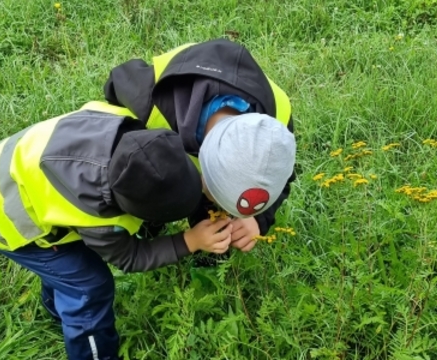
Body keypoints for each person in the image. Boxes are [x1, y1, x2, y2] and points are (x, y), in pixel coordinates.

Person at [0, 102, 235, 360]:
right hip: (1, 214)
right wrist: (190, 240)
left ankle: (54, 304)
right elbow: (130, 257)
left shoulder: (135, 131)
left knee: (70, 270)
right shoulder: (96, 211)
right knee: (88, 286)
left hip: (2, 164)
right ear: (129, 209)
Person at [103, 38, 297, 259]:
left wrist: (257, 219)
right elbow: (118, 80)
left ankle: (207, 258)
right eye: (220, 201)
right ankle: (151, 225)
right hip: (158, 147)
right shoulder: (149, 102)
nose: (227, 215)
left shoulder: (277, 126)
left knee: (214, 232)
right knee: (149, 190)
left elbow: (284, 176)